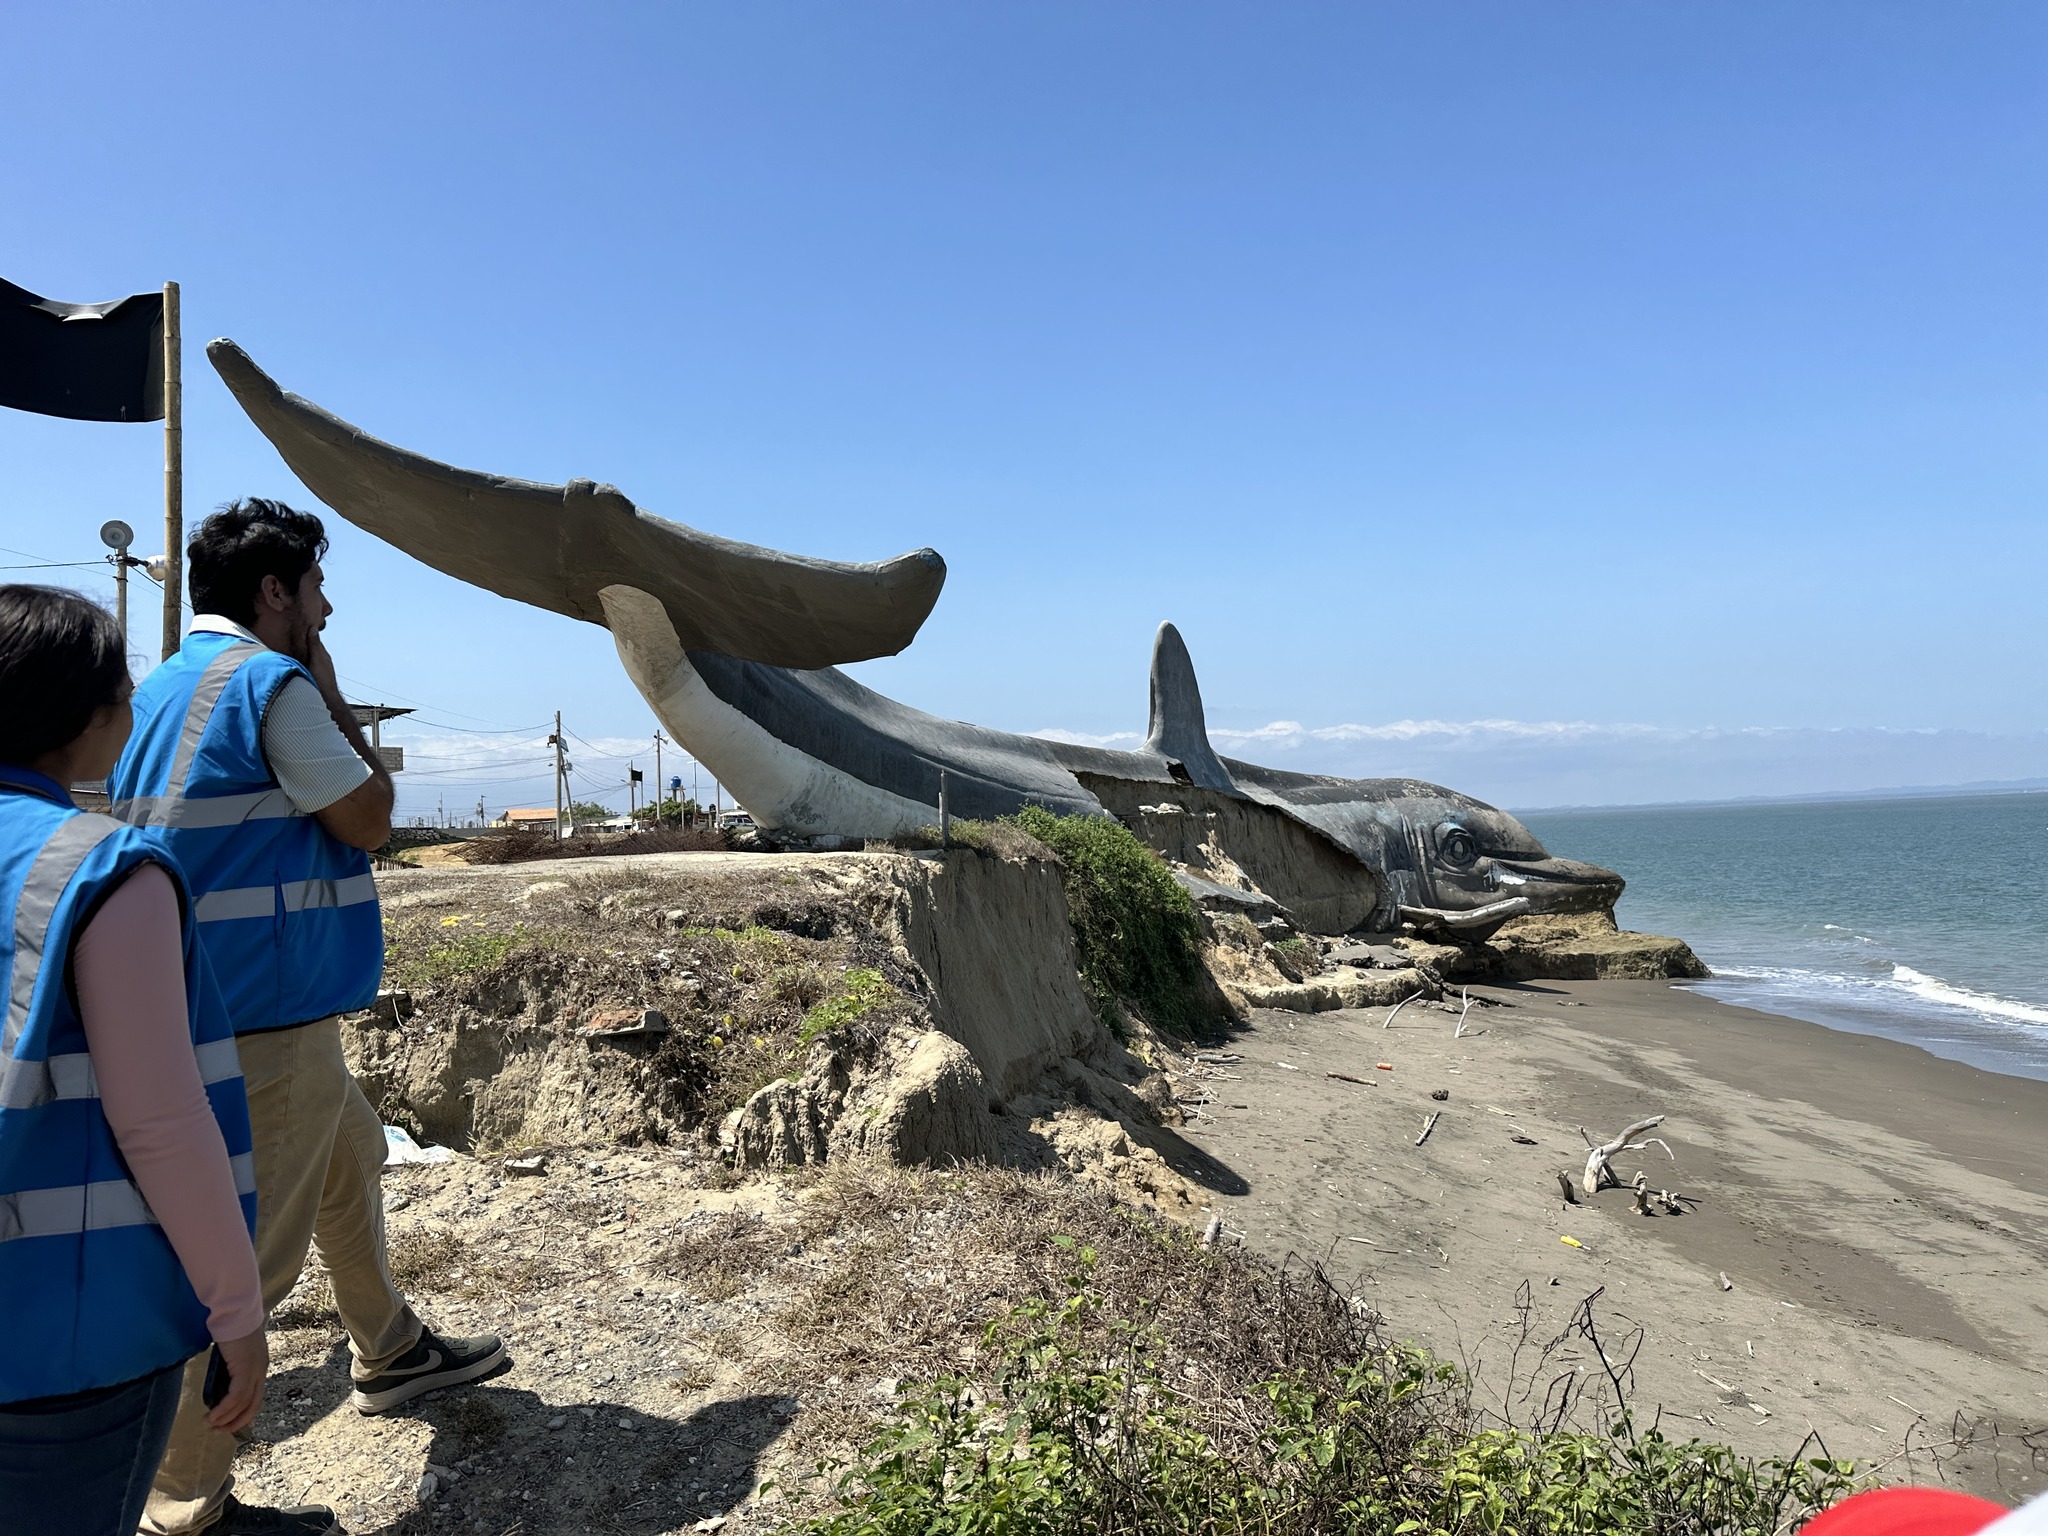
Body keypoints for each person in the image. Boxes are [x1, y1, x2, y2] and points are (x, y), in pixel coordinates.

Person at [110, 501, 504, 1536]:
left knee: (353, 1155)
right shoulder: (271, 686)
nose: (326, 610)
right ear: (275, 592)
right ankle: (184, 1505)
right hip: (264, 1015)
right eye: (317, 589)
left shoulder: (162, 685)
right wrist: (327, 688)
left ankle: (391, 1349)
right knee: (248, 1265)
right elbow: (369, 818)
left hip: (196, 998)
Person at [0, 586, 267, 1534]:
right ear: (92, 716)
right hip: (65, 1339)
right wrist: (237, 1310)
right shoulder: (105, 870)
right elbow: (160, 1120)